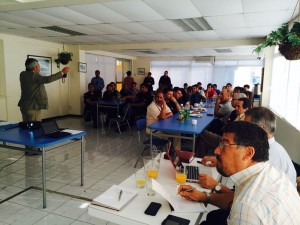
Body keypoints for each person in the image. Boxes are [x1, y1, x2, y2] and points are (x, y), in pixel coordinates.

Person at [179, 121, 300, 225]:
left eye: (224, 144)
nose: (216, 150)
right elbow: (237, 199)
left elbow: (244, 205)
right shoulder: (271, 173)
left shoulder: (247, 208)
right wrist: (204, 196)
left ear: (248, 153)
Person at [18, 58, 71, 122]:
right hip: (32, 107)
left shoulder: (22, 74)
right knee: (34, 127)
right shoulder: (34, 76)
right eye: (39, 66)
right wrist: (62, 72)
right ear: (35, 68)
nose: (40, 68)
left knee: (26, 126)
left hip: (24, 106)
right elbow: (47, 79)